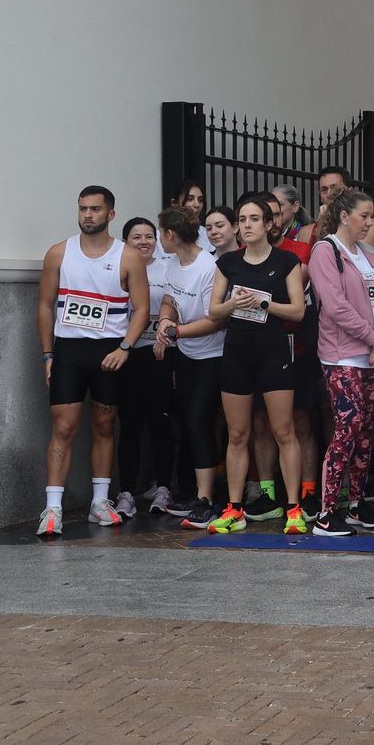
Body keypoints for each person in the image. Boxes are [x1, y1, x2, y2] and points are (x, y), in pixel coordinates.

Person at [35, 186, 151, 536]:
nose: (88, 215)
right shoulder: (59, 253)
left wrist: (125, 347)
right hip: (69, 350)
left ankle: (100, 501)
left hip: (108, 352)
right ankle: (52, 508)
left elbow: (142, 308)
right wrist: (48, 353)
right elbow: (45, 305)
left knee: (104, 425)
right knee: (63, 427)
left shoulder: (128, 256)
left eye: (95, 209)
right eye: (83, 208)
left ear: (110, 214)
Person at [206, 193, 309, 534]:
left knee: (283, 431)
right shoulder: (228, 263)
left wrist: (264, 303)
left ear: (268, 224)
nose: (247, 225)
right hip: (237, 353)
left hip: (273, 353)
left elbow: (297, 311)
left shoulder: (286, 262)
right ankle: (234, 509)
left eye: (254, 219)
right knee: (237, 433)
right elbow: (214, 311)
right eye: (242, 220)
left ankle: (293, 507)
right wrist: (234, 303)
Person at [307, 188, 374, 536]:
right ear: (344, 216)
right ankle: (327, 512)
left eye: (372, 216)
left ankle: (356, 504)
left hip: (373, 356)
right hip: (341, 354)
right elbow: (335, 306)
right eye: (365, 215)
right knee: (349, 424)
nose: (371, 222)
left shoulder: (369, 253)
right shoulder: (325, 250)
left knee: (365, 430)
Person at [153, 208, 227, 529]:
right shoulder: (173, 263)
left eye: (160, 232)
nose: (159, 238)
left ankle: (206, 498)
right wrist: (165, 320)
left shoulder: (209, 268)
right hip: (186, 355)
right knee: (186, 420)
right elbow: (170, 298)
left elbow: (216, 319)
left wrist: (176, 332)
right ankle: (195, 492)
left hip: (213, 355)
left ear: (170, 235)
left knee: (199, 420)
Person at [115, 217, 176, 517]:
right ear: (125, 241)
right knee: (129, 424)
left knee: (161, 422)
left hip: (161, 355)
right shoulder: (118, 267)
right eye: (136, 237)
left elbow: (176, 305)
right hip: (127, 355)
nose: (143, 242)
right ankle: (126, 491)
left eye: (149, 236)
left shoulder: (167, 268)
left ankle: (163, 487)